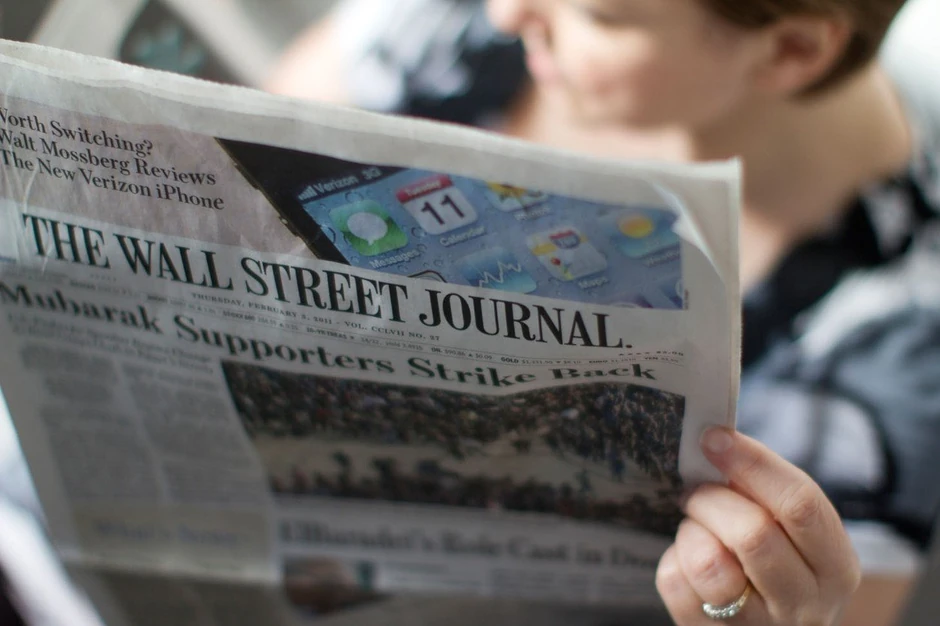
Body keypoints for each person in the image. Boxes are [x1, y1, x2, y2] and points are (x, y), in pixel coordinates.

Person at [265, 0, 940, 624]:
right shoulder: (453, 24)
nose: (504, 14)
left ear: (792, 50)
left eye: (598, 14)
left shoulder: (898, 356)